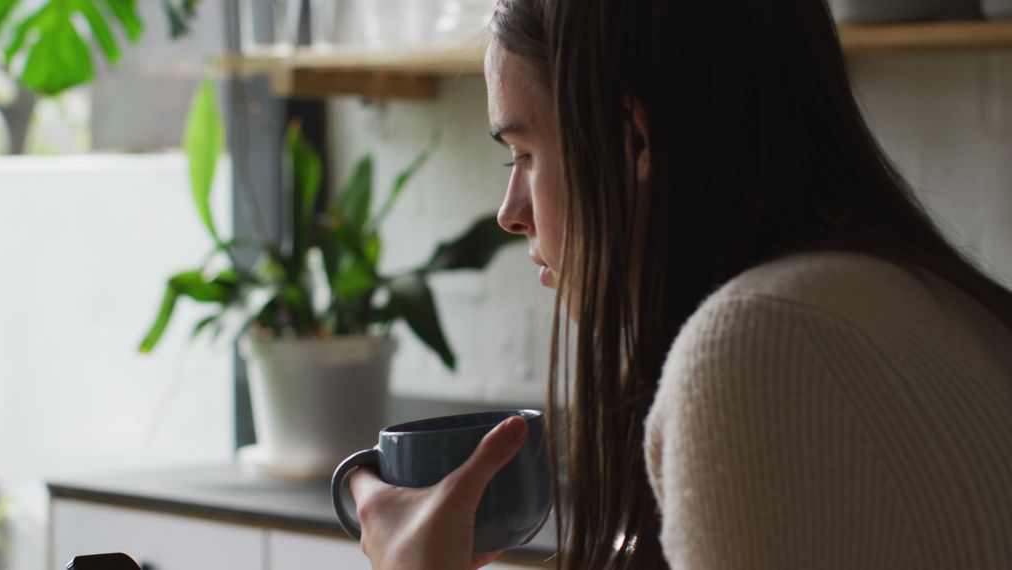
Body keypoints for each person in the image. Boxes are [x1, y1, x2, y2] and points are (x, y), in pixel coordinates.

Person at [349, 0, 1012, 567]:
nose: (510, 212)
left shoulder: (762, 344)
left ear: (633, 139)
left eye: (524, 154)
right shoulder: (927, 295)